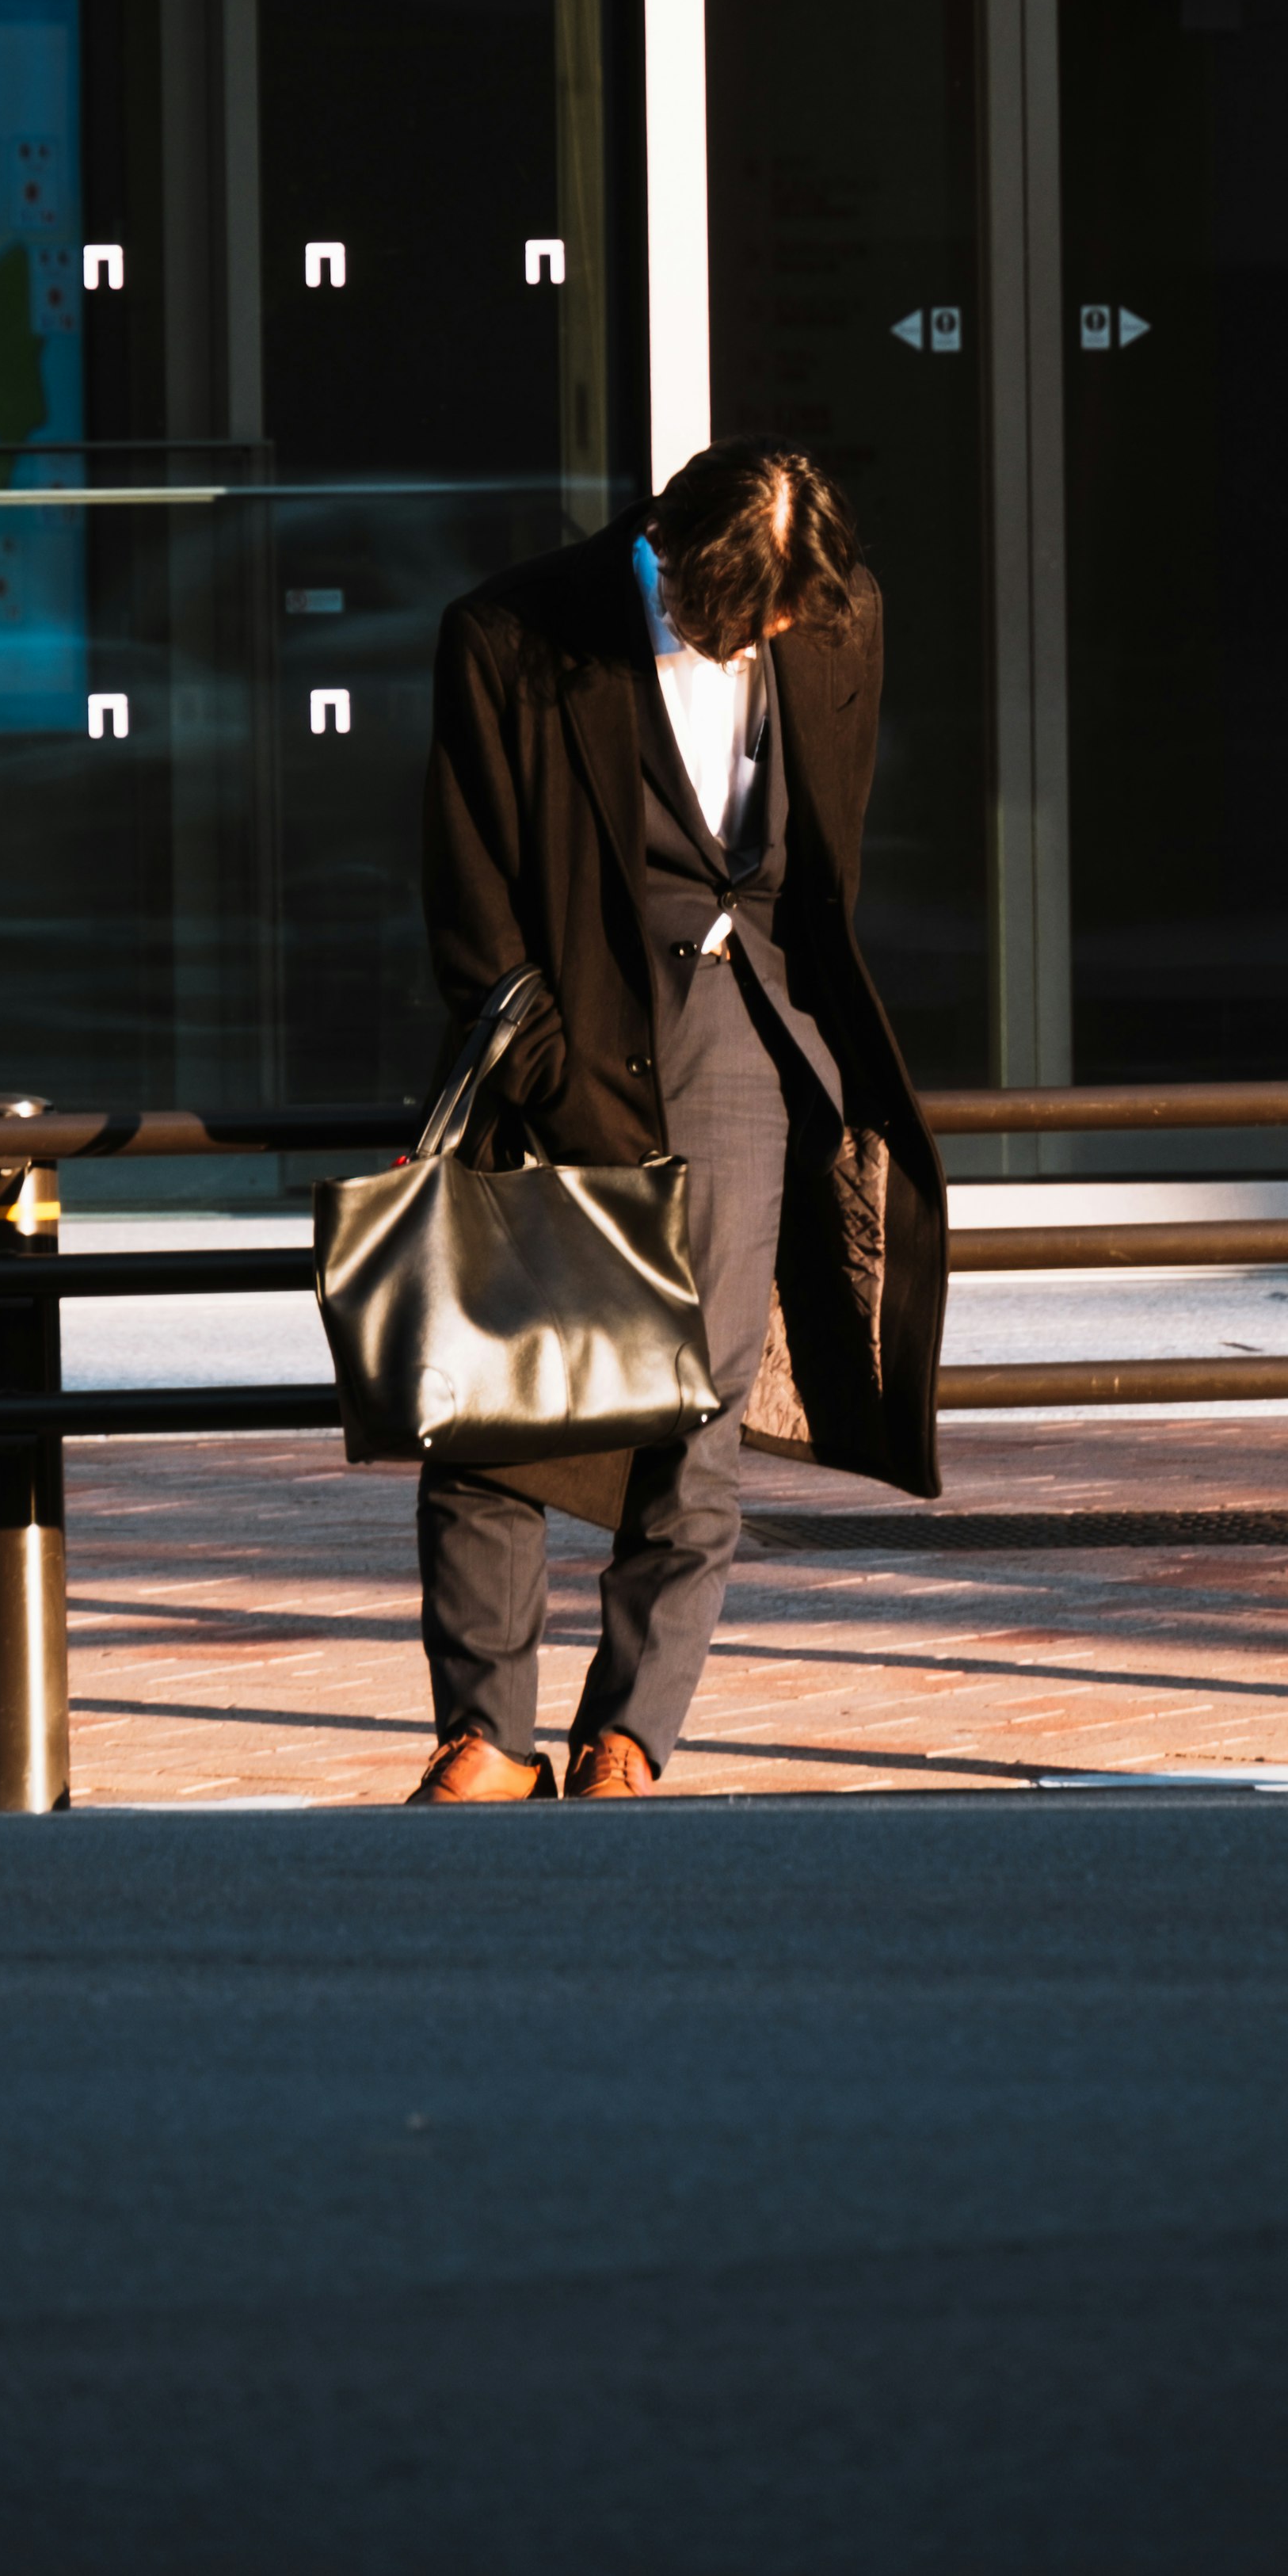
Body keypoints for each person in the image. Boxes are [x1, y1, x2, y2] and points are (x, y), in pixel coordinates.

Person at [388, 441, 948, 1801]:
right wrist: (549, 1074)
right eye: (747, 615)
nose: (770, 638)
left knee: (696, 1417)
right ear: (679, 563)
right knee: (498, 1412)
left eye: (788, 620)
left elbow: (824, 852)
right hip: (563, 1050)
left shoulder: (838, 611)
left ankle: (630, 1732)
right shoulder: (514, 634)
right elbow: (469, 900)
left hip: (746, 1044)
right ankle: (485, 1735)